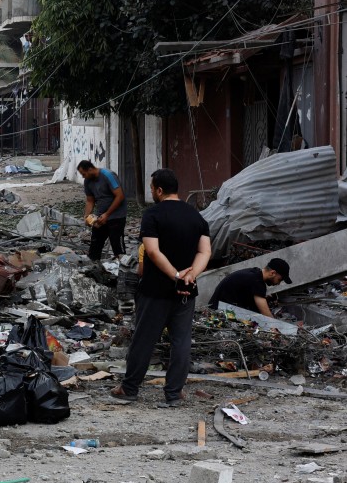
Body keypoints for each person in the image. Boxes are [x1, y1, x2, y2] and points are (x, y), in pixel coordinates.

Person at [111, 169, 211, 408]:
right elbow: (205, 251)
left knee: (144, 339)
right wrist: (190, 275)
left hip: (156, 290)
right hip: (187, 291)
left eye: (151, 188)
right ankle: (174, 394)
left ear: (158, 190)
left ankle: (129, 388)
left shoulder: (153, 214)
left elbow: (153, 252)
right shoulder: (197, 217)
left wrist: (176, 275)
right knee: (181, 341)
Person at [77, 160, 128, 261]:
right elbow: (90, 201)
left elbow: (120, 196)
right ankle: (94, 270)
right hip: (100, 216)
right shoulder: (87, 181)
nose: (83, 177)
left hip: (116, 216)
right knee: (95, 245)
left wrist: (107, 214)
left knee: (117, 248)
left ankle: (123, 271)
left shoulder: (108, 175)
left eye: (84, 174)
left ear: (90, 169)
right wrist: (86, 217)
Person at [207, 259, 291, 317]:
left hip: (216, 309)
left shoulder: (254, 273)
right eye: (279, 279)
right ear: (273, 273)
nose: (278, 283)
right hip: (217, 313)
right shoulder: (257, 281)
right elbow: (266, 314)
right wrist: (277, 328)